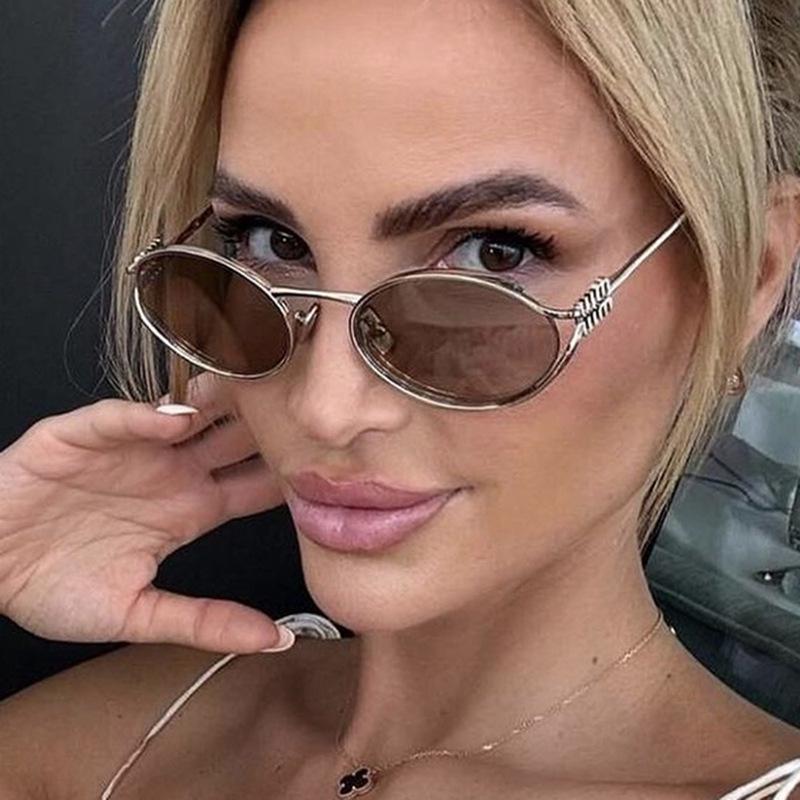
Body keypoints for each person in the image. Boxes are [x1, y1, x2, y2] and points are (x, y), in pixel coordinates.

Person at [1, 0, 800, 796]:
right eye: (272, 242)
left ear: (750, 277)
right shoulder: (138, 725)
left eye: (493, 255)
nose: (326, 408)